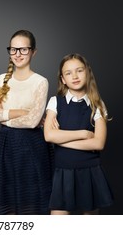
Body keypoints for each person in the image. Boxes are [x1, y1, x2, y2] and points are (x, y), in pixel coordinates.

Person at [0, 29, 54, 215]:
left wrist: (5, 117)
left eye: (23, 50)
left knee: (31, 198)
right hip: (7, 145)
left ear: (33, 52)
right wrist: (20, 112)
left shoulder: (40, 82)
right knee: (7, 198)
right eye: (13, 50)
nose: (17, 54)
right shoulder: (2, 79)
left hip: (32, 146)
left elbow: (33, 122)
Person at [43, 53, 114, 215]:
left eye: (79, 71)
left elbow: (98, 144)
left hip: (89, 172)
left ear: (87, 73)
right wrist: (83, 133)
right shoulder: (55, 102)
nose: (74, 76)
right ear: (62, 79)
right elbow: (48, 136)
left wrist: (61, 139)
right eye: (68, 73)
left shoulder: (98, 104)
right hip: (63, 171)